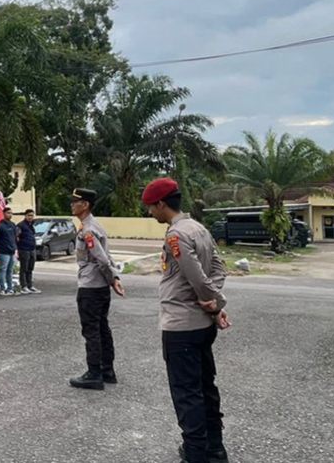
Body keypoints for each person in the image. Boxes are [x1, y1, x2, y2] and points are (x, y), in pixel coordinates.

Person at [143, 178, 230, 463]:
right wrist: (214, 304)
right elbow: (219, 268)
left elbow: (196, 277)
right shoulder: (198, 228)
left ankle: (195, 454)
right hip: (202, 324)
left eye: (150, 208)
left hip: (181, 325)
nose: (150, 213)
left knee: (186, 394)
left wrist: (216, 302)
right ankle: (214, 448)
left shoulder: (176, 235)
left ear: (161, 204)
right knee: (206, 387)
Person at [69, 188, 125, 391]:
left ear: (85, 205)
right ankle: (107, 370)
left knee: (91, 330)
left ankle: (94, 373)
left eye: (76, 202)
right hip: (100, 287)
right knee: (102, 328)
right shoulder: (94, 225)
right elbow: (107, 256)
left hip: (91, 287)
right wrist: (114, 278)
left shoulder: (88, 230)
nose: (72, 204)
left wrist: (113, 279)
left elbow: (102, 258)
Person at [0, 207, 18, 295]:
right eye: (8, 213)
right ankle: (2, 288)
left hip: (12, 251)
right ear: (4, 214)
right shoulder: (0, 226)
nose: (10, 215)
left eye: (11, 213)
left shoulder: (13, 225)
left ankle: (10, 288)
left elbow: (15, 238)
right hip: (3, 252)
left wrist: (15, 248)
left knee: (10, 270)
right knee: (3, 269)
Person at [17, 209, 39, 294]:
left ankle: (30, 285)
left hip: (32, 249)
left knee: (30, 268)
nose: (30, 217)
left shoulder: (31, 225)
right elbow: (17, 237)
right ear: (25, 216)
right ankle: (24, 286)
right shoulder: (21, 225)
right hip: (24, 249)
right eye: (29, 215)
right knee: (24, 268)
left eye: (32, 215)